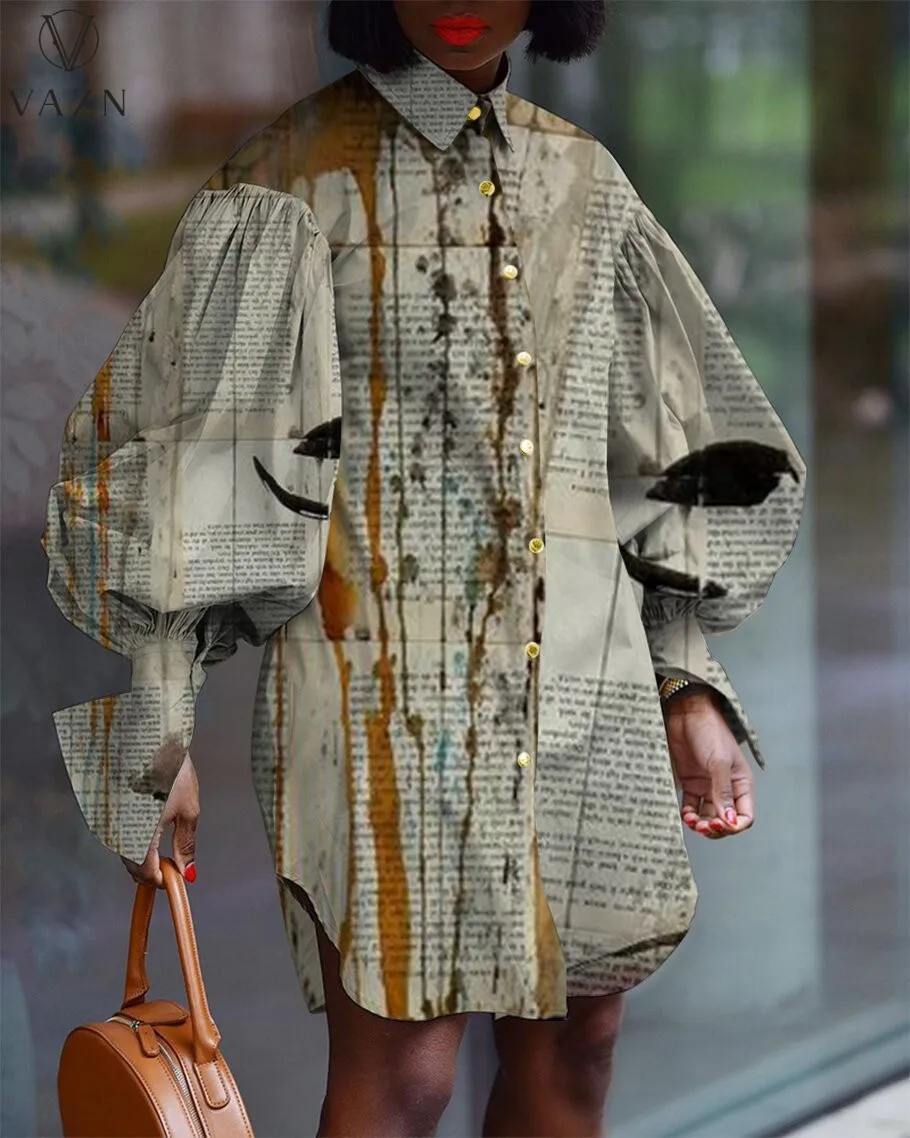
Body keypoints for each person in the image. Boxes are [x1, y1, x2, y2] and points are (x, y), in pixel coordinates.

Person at [41, 2, 807, 1135]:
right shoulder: (288, 182)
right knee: (405, 1075)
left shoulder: (585, 181)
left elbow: (662, 448)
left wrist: (686, 680)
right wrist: (157, 719)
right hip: (382, 703)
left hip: (588, 693)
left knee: (579, 1050)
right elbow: (190, 460)